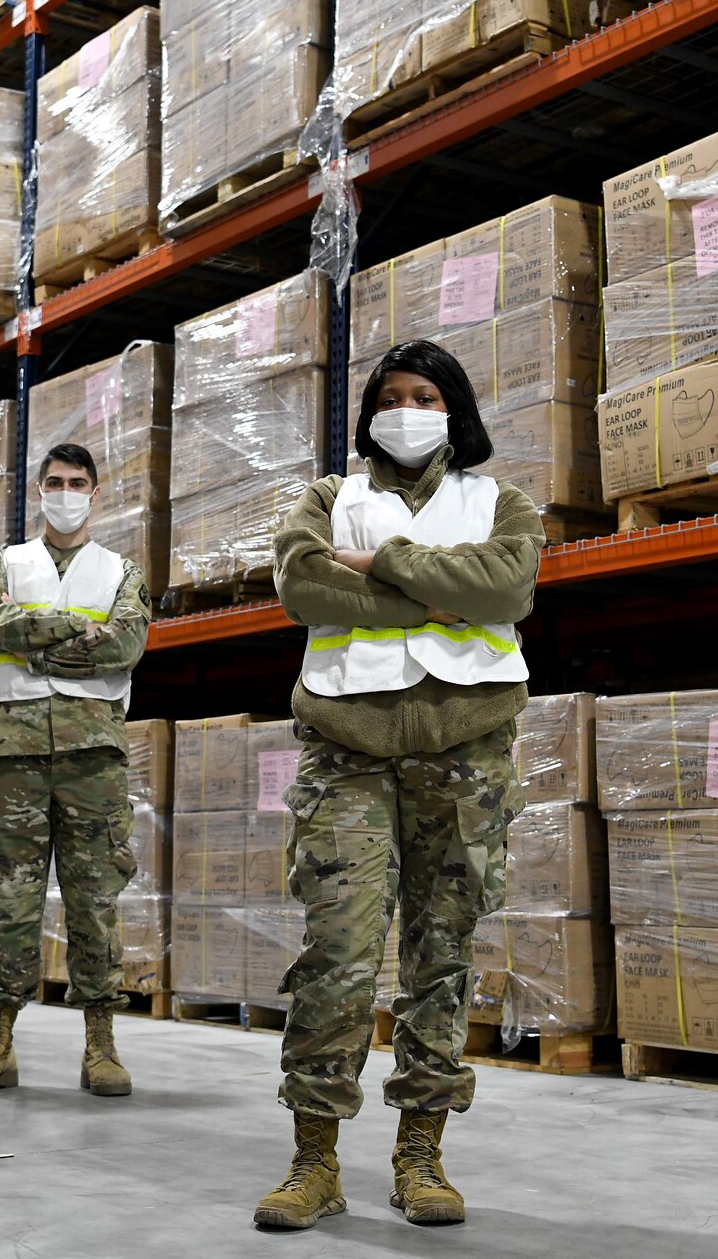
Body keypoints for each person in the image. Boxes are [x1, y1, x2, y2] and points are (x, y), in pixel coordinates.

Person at [253, 339, 545, 1231]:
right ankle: (315, 1160)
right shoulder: (329, 499)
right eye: (392, 394)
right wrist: (442, 592)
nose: (407, 408)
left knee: (440, 956)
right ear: (369, 411)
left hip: (464, 752)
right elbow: (303, 586)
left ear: (453, 408)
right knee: (337, 954)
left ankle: (421, 1153)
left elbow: (512, 587)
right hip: (347, 748)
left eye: (425, 394)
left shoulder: (499, 499)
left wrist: (378, 563)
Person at [0, 442, 153, 1098]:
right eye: (55, 481)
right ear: (39, 490)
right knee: (11, 903)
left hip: (92, 758)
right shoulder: (0, 563)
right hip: (13, 756)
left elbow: (127, 639)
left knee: (95, 903)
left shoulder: (120, 570)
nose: (65, 491)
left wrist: (33, 635)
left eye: (77, 482)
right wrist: (73, 632)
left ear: (95, 494)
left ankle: (101, 1043)